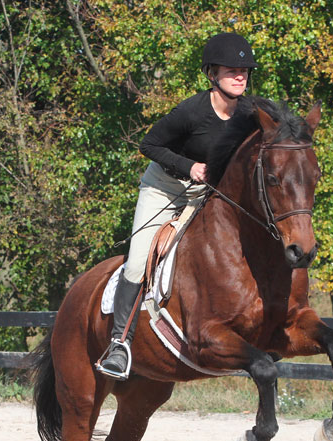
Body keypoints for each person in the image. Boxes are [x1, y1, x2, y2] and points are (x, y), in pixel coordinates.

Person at [97, 32, 257, 380]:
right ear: (212, 73)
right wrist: (189, 167)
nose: (240, 75)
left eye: (244, 69)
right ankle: (118, 344)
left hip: (207, 193)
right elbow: (149, 144)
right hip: (165, 188)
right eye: (232, 69)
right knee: (139, 262)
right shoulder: (191, 111)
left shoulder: (250, 112)